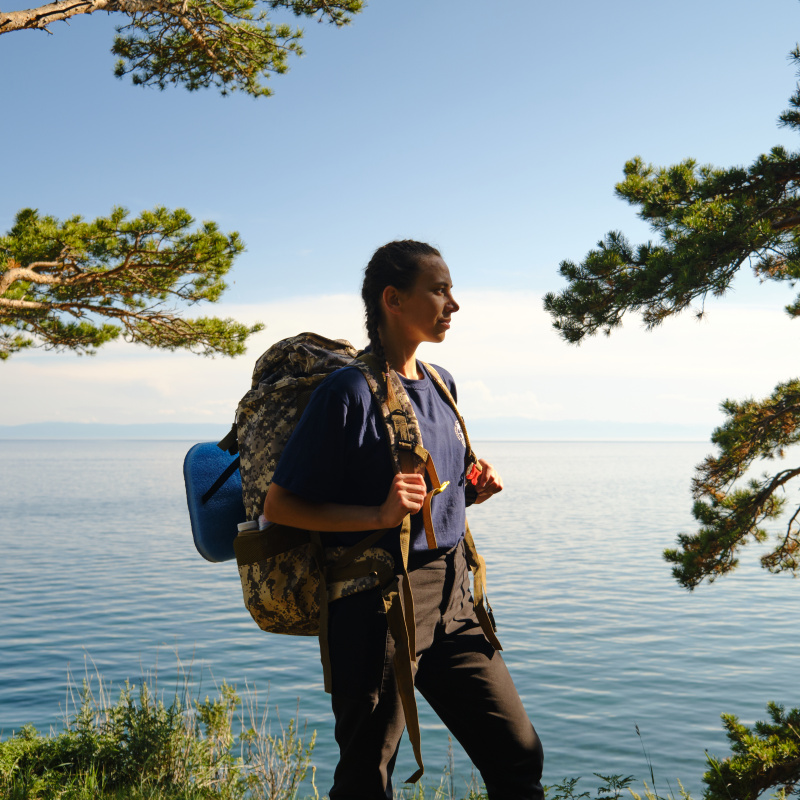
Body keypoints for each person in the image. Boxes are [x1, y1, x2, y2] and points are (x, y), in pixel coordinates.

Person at [264, 240, 544, 800]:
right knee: (369, 774)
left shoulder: (442, 383)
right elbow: (280, 507)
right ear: (393, 298)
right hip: (377, 607)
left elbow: (434, 496)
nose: (453, 304)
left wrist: (473, 491)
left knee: (517, 755)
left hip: (453, 597)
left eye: (451, 290)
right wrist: (378, 513)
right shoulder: (346, 394)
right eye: (438, 290)